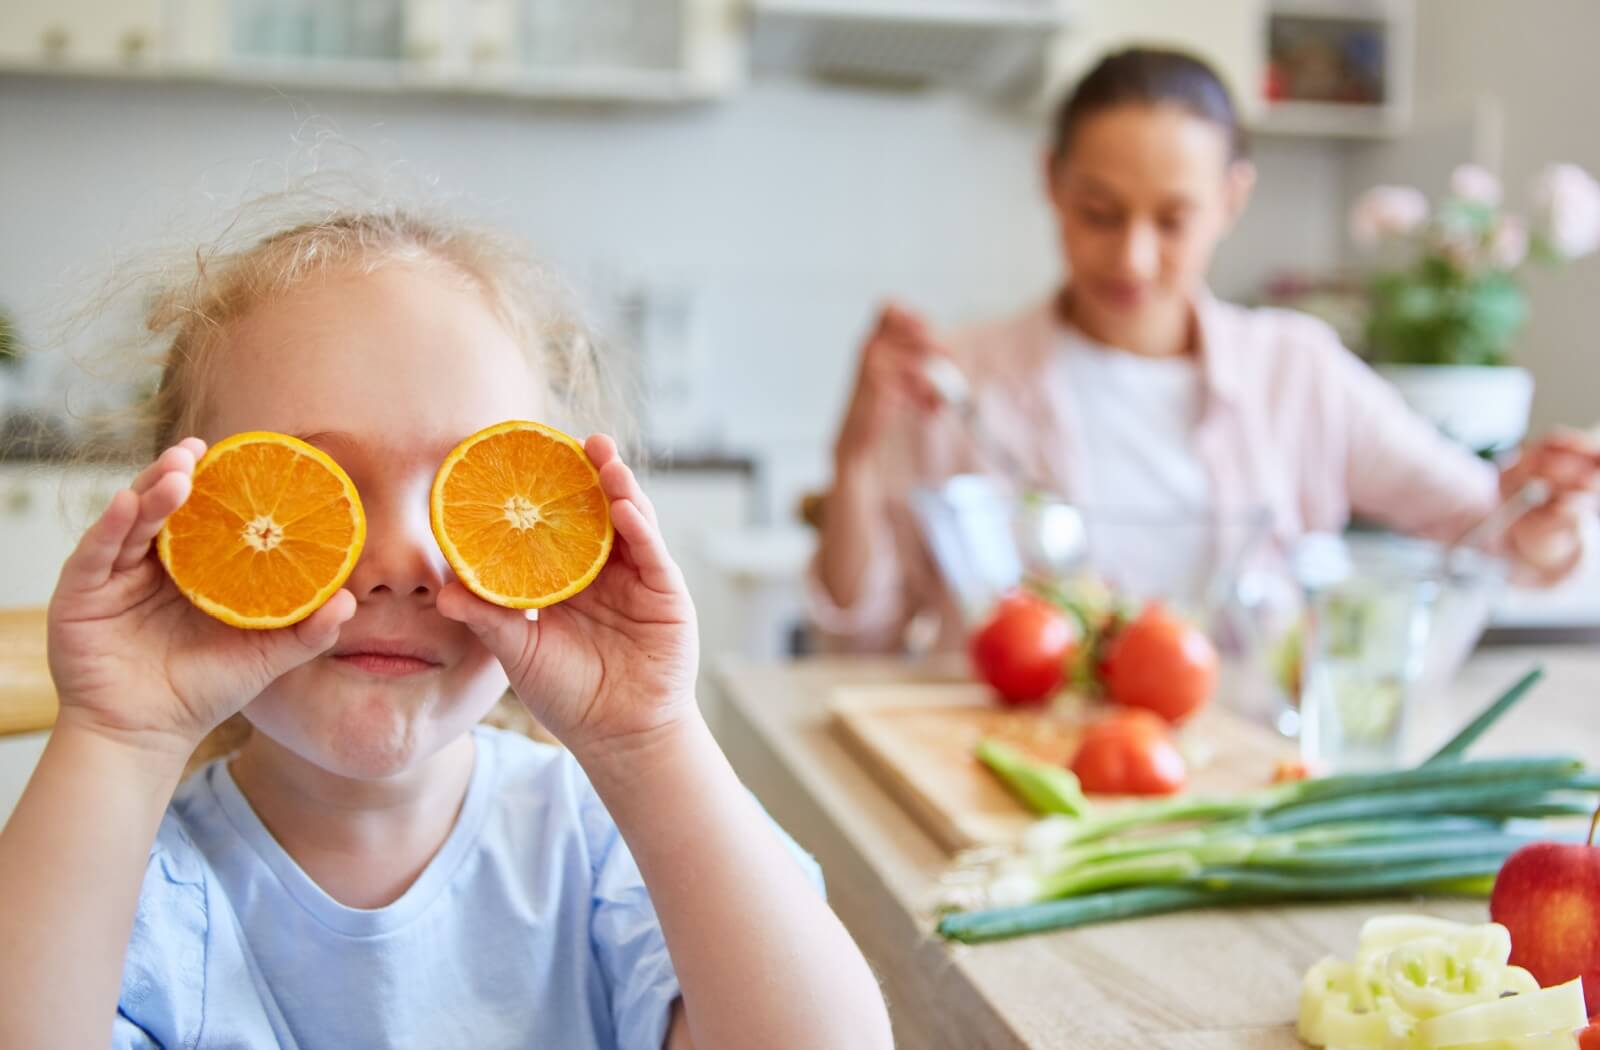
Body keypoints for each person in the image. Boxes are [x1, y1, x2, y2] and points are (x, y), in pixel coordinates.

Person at [0, 206, 894, 1049]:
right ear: (190, 536)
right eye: (322, 484)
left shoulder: (606, 846)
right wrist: (117, 738)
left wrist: (650, 740)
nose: (402, 560)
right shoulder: (122, 888)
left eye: (459, 492)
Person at [811, 47, 1599, 653]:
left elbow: (1488, 530)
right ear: (1051, 183)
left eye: (1173, 219)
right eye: (1099, 212)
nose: (1133, 258)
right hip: (994, 773)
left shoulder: (1298, 372)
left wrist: (1543, 508)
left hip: (1237, 788)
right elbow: (858, 631)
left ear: (1232, 199)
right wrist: (853, 457)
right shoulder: (957, 379)